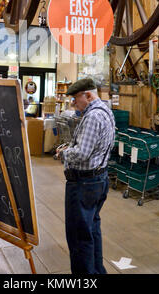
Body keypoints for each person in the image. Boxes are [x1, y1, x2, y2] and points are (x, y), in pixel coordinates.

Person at [56, 77, 115, 275]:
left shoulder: (92, 117)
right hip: (99, 179)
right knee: (91, 230)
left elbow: (82, 154)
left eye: (75, 99)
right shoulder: (106, 111)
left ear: (88, 95)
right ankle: (97, 271)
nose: (73, 103)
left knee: (79, 236)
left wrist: (63, 153)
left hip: (84, 184)